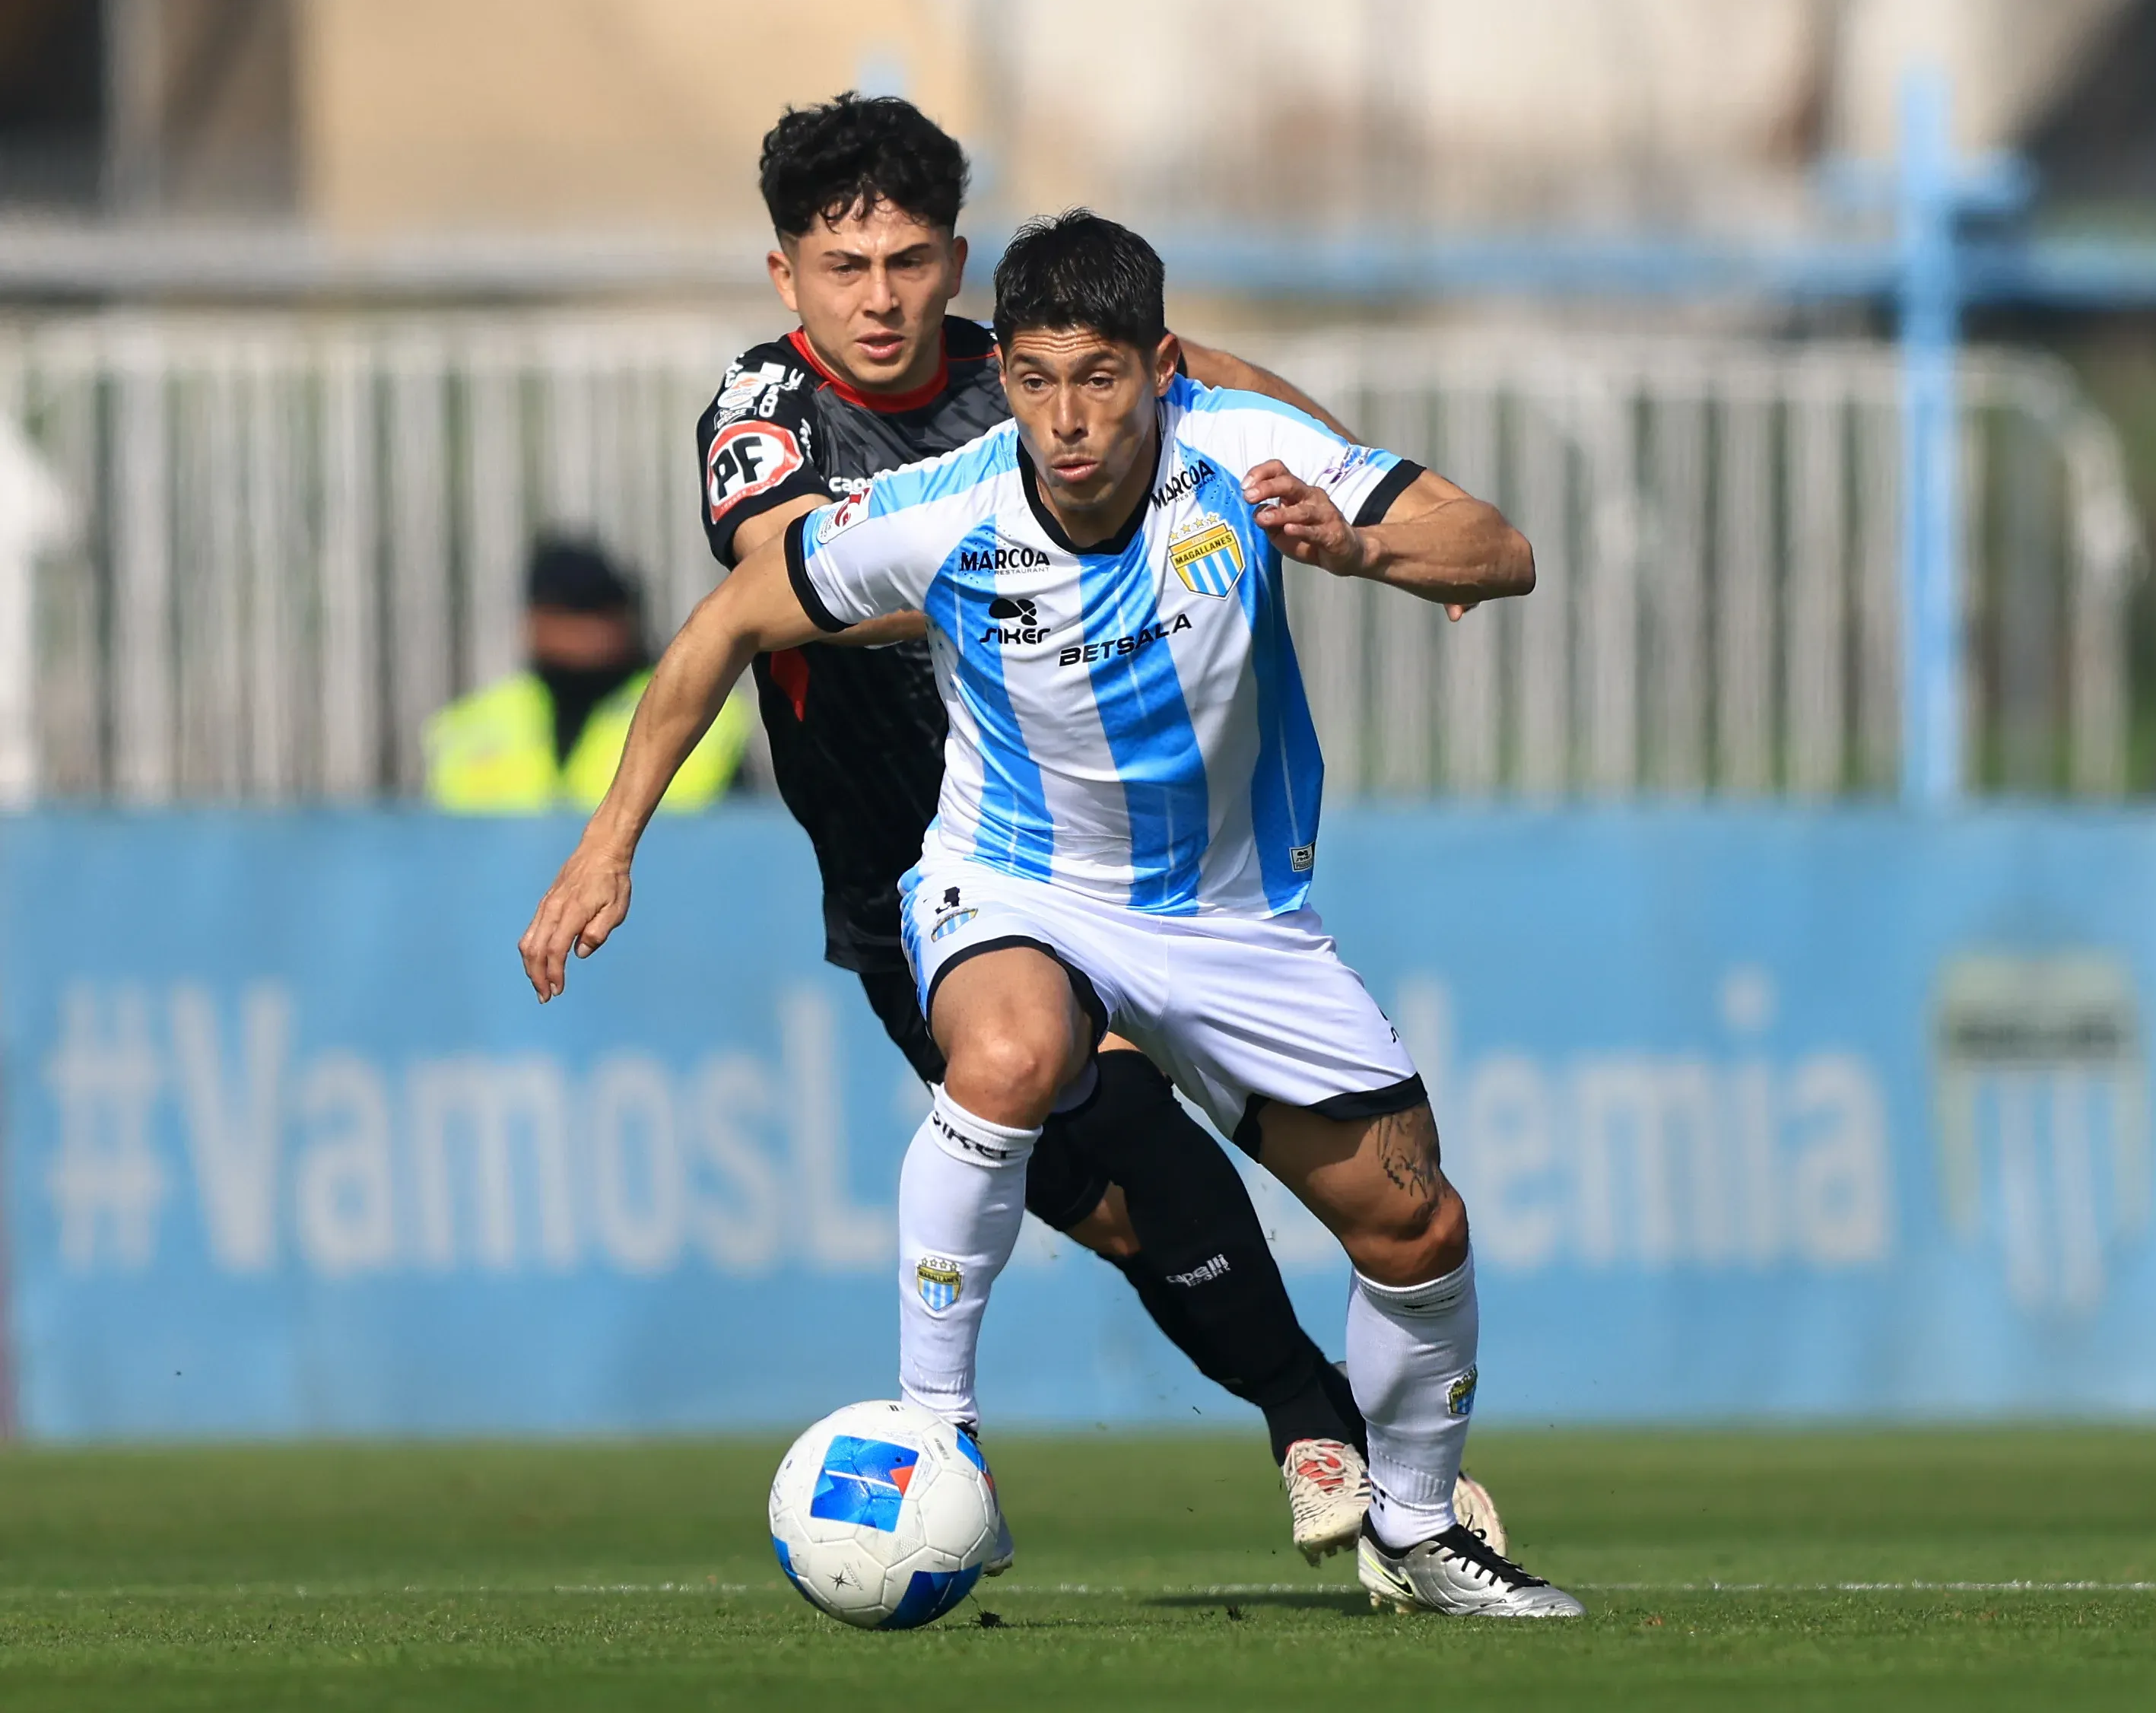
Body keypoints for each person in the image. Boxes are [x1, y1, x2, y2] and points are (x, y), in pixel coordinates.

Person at [524, 209, 1582, 1618]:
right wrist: (609, 845)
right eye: (1032, 379)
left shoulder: (1245, 452)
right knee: (1009, 1056)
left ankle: (1415, 1525)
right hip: (1013, 879)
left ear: (1158, 368)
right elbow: (728, 620)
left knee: (1416, 1232)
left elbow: (1496, 548)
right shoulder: (944, 508)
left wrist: (1362, 544)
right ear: (1005, 375)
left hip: (1229, 914)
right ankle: (932, 1428)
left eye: (1097, 377)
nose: (1066, 418)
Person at [690, 95, 1496, 1567]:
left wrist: (1348, 512)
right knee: (1116, 1205)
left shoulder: (1040, 370)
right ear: (787, 276)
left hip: (1097, 861)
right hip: (916, 876)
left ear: (955, 262)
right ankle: (1330, 1425)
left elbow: (1217, 393)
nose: (880, 298)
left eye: (910, 262)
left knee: (1112, 1098)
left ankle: (1324, 1443)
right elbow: (775, 570)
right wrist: (973, 555)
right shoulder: (769, 414)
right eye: (843, 266)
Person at [424, 538, 751, 812]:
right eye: (566, 613)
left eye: (595, 613)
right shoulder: (469, 723)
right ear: (533, 620)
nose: (582, 633)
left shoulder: (704, 710)